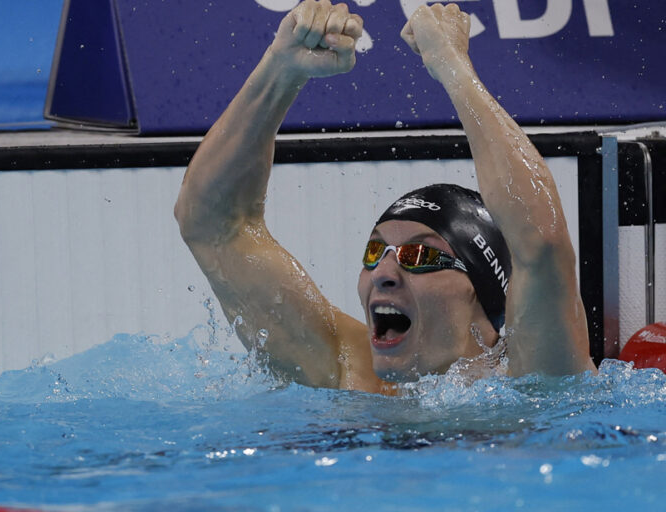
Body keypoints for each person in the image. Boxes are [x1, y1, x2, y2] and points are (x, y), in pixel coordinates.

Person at [174, 0, 597, 394]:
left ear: (485, 295)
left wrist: (453, 67)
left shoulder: (536, 381)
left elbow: (540, 241)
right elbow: (212, 225)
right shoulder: (350, 372)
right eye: (375, 253)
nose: (383, 273)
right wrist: (279, 71)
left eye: (421, 256)